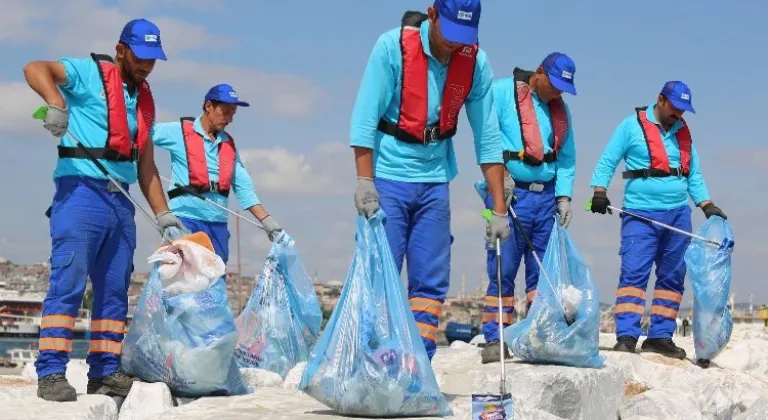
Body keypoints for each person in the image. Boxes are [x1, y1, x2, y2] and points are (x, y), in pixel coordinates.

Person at [22, 18, 187, 401]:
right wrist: (56, 103)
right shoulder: (88, 72)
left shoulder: (144, 102)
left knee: (114, 290)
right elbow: (35, 68)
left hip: (121, 201)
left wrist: (165, 216)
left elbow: (147, 167)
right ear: (121, 50)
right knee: (68, 284)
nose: (147, 65)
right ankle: (50, 373)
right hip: (80, 191)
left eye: (154, 59)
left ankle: (105, 372)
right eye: (141, 56)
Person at [349, 0, 511, 361]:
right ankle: (370, 362)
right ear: (433, 14)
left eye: (463, 37)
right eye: (449, 34)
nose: (453, 45)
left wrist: (498, 209)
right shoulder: (392, 47)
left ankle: (415, 365)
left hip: (435, 181)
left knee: (430, 281)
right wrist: (364, 180)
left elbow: (487, 137)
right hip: (388, 178)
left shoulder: (475, 63)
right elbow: (364, 117)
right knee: (380, 272)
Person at [588, 81, 727, 359]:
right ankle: (627, 335)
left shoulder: (683, 132)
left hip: (678, 214)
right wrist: (599, 191)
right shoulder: (630, 126)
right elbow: (607, 161)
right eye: (676, 109)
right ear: (660, 100)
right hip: (640, 213)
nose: (680, 116)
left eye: (684, 111)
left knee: (673, 276)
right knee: (634, 273)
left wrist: (706, 204)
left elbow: (693, 174)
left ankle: (660, 337)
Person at [476, 52, 578, 364]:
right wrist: (499, 180)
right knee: (502, 269)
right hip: (509, 196)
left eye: (564, 89)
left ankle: (539, 335)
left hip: (544, 198)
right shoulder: (502, 92)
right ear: (539, 73)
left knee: (542, 273)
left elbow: (567, 158)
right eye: (555, 85)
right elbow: (485, 136)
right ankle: (497, 337)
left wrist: (564, 196)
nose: (557, 93)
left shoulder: (561, 111)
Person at [152, 84, 282, 263]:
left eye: (233, 113)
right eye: (225, 112)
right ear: (208, 106)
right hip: (184, 221)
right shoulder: (179, 132)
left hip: (217, 225)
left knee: (214, 282)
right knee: (179, 284)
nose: (229, 119)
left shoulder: (228, 145)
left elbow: (244, 187)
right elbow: (141, 133)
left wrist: (266, 220)